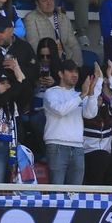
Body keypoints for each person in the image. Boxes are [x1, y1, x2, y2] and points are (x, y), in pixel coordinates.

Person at [45, 58, 105, 186]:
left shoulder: (77, 95)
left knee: (74, 194)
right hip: (57, 146)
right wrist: (83, 95)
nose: (75, 75)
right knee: (56, 192)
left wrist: (92, 92)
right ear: (60, 74)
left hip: (78, 147)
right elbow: (60, 110)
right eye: (70, 71)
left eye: (76, 72)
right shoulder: (50, 93)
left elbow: (90, 114)